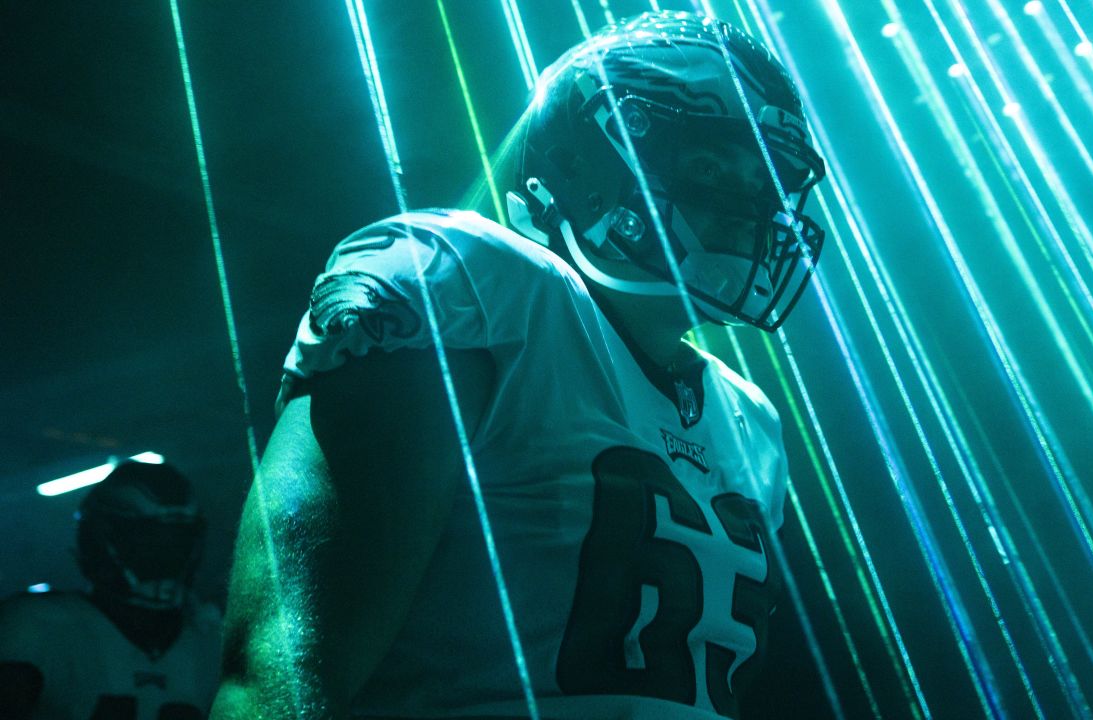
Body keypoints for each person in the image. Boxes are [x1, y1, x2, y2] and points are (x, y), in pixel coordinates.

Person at [212, 10, 826, 720]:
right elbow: (279, 673)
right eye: (710, 164)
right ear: (584, 159)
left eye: (767, 180)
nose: (749, 206)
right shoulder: (481, 289)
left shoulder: (751, 424)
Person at [0, 460, 221, 719]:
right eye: (149, 541)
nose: (166, 558)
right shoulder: (36, 627)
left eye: (177, 542)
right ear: (99, 538)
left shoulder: (212, 641)